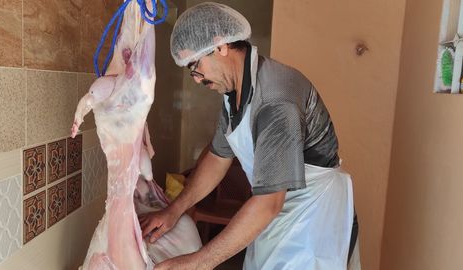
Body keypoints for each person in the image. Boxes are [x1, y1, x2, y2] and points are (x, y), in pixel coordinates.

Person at [139, 2, 360, 270]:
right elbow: (219, 155)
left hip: (312, 220)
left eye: (195, 65)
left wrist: (197, 263)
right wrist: (174, 210)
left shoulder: (276, 101)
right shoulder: (235, 92)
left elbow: (269, 203)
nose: (196, 79)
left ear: (220, 45)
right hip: (276, 212)